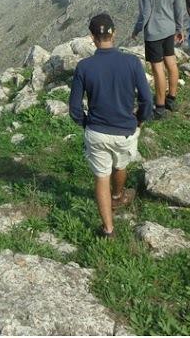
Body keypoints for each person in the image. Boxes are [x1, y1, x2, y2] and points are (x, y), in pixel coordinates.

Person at [69, 12, 152, 238]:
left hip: (96, 131)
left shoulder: (84, 67)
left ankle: (108, 229)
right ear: (114, 33)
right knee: (120, 165)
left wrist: (86, 123)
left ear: (92, 38)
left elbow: (75, 108)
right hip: (125, 131)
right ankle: (118, 196)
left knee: (100, 177)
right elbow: (147, 99)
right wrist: (139, 121)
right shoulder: (132, 62)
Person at [131, 0, 186, 118]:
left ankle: (160, 107)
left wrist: (137, 29)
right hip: (169, 30)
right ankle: (171, 99)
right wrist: (179, 28)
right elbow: (179, 6)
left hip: (154, 33)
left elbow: (146, 13)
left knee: (158, 69)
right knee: (171, 62)